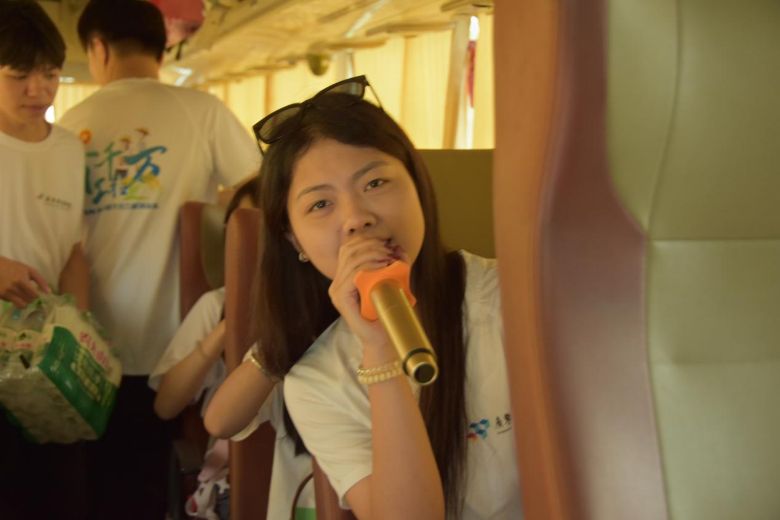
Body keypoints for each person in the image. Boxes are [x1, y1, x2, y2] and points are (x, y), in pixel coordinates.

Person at [252, 76, 522, 519]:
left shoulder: (515, 297)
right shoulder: (316, 382)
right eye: (320, 205)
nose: (356, 218)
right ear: (294, 240)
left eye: (375, 183)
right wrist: (379, 350)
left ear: (418, 186)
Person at [58, 1, 261, 517]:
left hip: (90, 349)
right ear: (162, 45)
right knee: (156, 488)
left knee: (93, 489)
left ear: (98, 47)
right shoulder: (204, 112)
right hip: (180, 353)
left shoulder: (73, 124)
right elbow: (259, 199)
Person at [0, 2, 89, 519]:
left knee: (60, 493)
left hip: (45, 368)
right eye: (19, 76)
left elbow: (73, 250)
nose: (38, 90)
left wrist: (77, 330)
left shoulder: (69, 151)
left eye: (50, 75)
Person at [148, 177, 259, 520]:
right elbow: (167, 406)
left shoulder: (326, 300)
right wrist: (228, 325)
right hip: (232, 472)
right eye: (242, 230)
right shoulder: (216, 304)